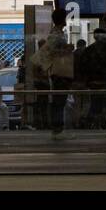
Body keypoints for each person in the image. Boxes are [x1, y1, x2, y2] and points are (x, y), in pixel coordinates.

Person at [40, 10, 76, 139]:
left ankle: (58, 129)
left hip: (61, 70)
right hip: (59, 71)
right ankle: (57, 129)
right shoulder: (56, 34)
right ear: (62, 19)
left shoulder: (59, 33)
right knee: (59, 101)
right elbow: (51, 51)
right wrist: (67, 49)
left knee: (60, 101)